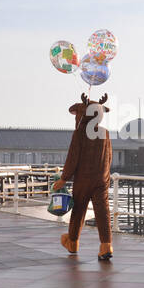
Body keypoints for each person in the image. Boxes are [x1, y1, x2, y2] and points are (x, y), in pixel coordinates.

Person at [52, 92, 113, 261]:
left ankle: (72, 241)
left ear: (81, 114)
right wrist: (105, 177)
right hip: (101, 180)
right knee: (103, 212)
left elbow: (73, 157)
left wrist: (64, 178)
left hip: (83, 179)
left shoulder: (79, 133)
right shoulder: (105, 133)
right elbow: (109, 157)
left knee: (79, 210)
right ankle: (106, 245)